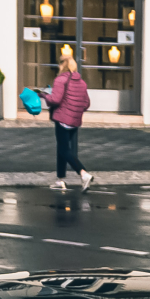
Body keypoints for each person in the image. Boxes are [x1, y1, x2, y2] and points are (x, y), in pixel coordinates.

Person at [44, 44, 92, 191]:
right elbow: (87, 103)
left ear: (62, 65)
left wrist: (44, 95)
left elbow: (55, 100)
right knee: (62, 148)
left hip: (62, 119)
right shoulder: (82, 82)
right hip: (74, 121)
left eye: (59, 63)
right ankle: (60, 180)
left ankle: (83, 173)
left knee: (65, 150)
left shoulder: (60, 80)